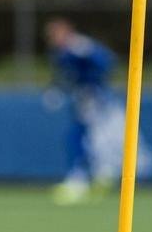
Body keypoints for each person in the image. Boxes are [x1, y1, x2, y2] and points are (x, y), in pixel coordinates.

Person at [43, 17, 116, 205]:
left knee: (87, 136)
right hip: (81, 98)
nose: (53, 38)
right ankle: (90, 176)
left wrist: (93, 86)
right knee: (79, 136)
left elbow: (105, 63)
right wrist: (56, 90)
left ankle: (93, 176)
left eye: (56, 33)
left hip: (93, 98)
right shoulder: (62, 53)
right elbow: (64, 76)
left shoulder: (80, 46)